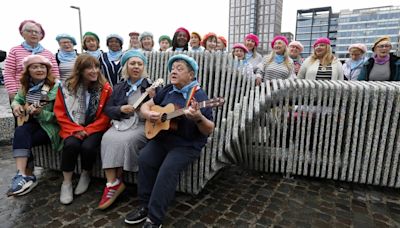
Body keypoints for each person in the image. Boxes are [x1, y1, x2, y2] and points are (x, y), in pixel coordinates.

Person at [124, 54, 214, 227]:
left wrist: (198, 118)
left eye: (180, 69)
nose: (174, 71)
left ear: (191, 75)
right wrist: (148, 113)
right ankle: (144, 206)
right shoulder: (168, 89)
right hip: (163, 138)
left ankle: (154, 218)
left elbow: (209, 129)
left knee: (167, 170)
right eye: (173, 68)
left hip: (187, 144)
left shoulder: (199, 96)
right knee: (144, 159)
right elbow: (146, 105)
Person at [98, 50, 156, 209]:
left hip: (142, 124)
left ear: (144, 67)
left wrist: (153, 97)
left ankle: (115, 182)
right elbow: (108, 109)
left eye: (139, 64)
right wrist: (120, 109)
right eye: (132, 63)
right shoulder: (118, 87)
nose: (136, 67)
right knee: (107, 138)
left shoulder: (151, 86)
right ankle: (112, 183)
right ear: (126, 66)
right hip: (121, 122)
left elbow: (161, 108)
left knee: (125, 140)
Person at [54, 54, 112, 204]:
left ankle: (86, 174)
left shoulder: (105, 88)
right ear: (80, 70)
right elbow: (60, 112)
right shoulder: (66, 87)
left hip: (95, 127)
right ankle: (66, 182)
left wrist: (88, 130)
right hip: (72, 127)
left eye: (97, 67)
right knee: (71, 145)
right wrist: (75, 129)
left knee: (88, 146)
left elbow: (106, 115)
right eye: (89, 67)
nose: (94, 71)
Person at [7, 55, 61, 196]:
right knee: (20, 133)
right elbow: (16, 100)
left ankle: (27, 176)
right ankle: (22, 175)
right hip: (31, 124)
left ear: (48, 69)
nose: (39, 69)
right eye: (35, 67)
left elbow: (60, 116)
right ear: (28, 70)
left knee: (21, 138)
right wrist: (16, 106)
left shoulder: (56, 87)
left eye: (42, 66)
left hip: (50, 128)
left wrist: (40, 113)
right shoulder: (26, 86)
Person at [4, 20, 59, 102]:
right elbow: (9, 73)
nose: (34, 34)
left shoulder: (48, 53)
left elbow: (55, 74)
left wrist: (51, 93)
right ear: (23, 34)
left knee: (43, 114)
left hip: (45, 95)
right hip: (21, 94)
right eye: (29, 31)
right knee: (22, 114)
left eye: (37, 32)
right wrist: (13, 93)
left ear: (41, 36)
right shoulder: (15, 51)